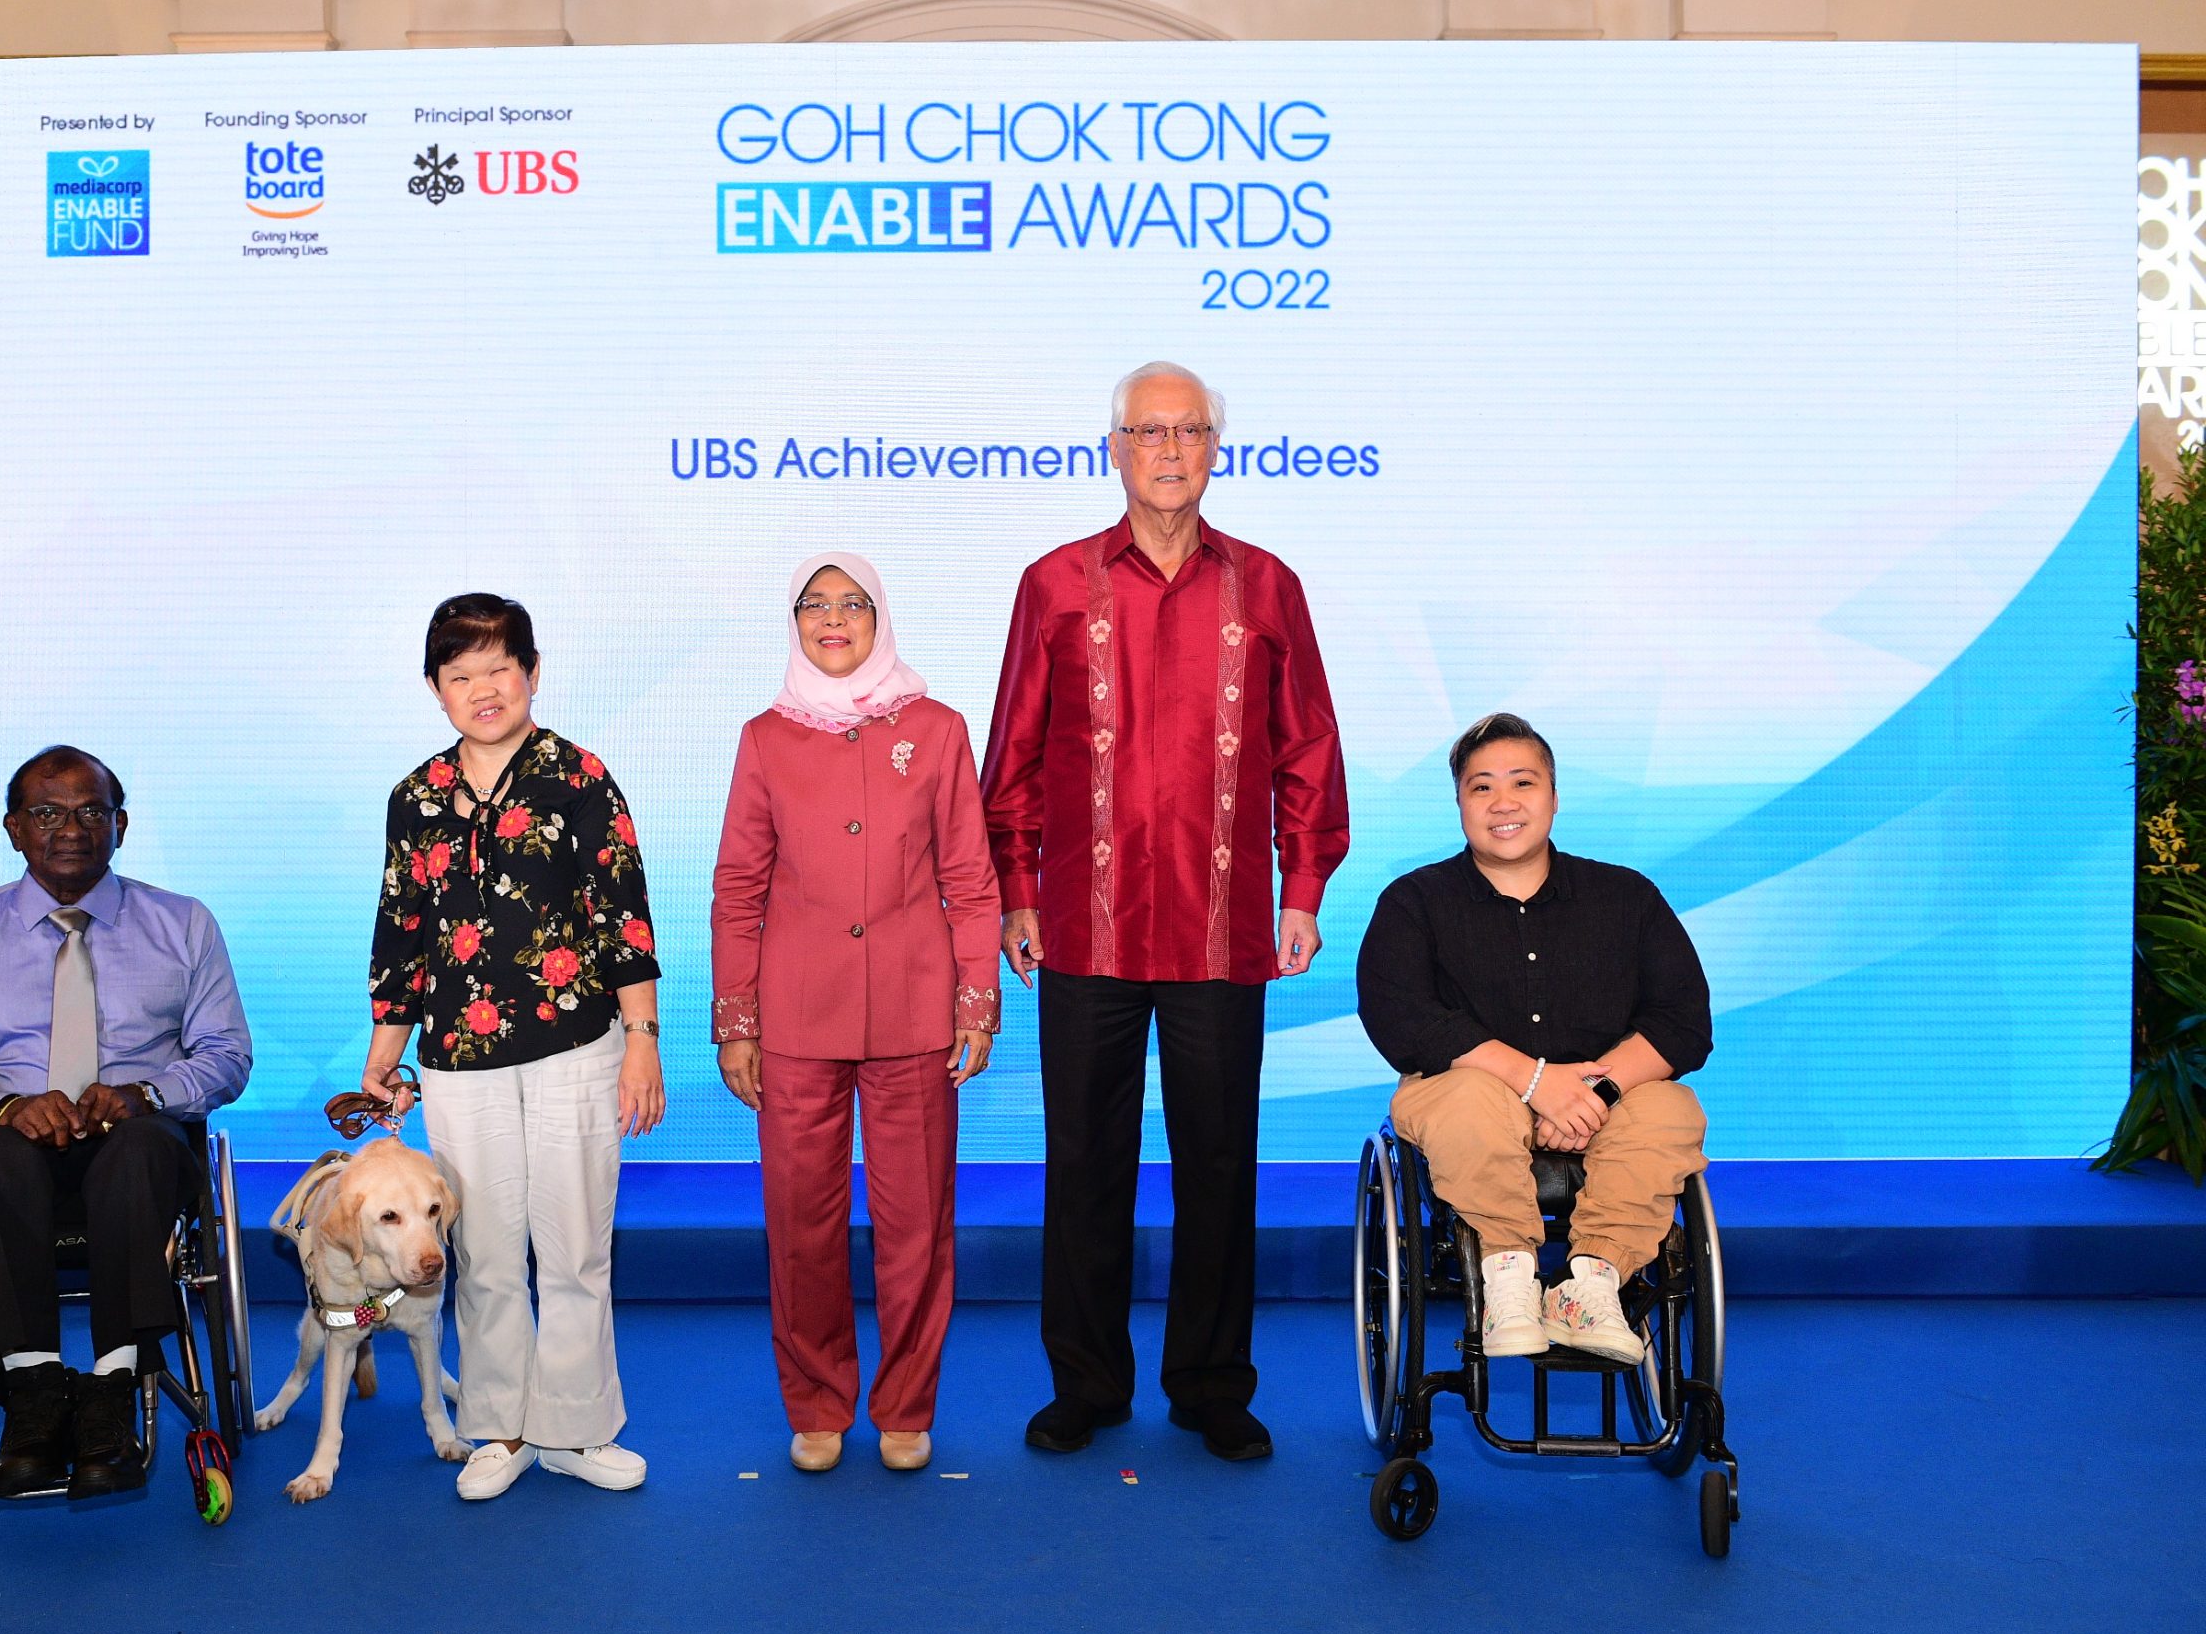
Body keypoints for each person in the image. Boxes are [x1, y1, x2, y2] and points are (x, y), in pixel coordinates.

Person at [982, 362, 1350, 1462]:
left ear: (1215, 449)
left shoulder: (1268, 586)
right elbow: (1012, 753)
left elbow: (1308, 747)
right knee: (1082, 1161)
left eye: (1190, 429)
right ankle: (1086, 1384)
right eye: (1151, 430)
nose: (1171, 449)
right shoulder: (1052, 584)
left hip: (1223, 926)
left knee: (1217, 1164)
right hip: (1083, 929)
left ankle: (1209, 1386)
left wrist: (1303, 888)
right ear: (1114, 448)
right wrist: (1016, 889)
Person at [359, 592, 665, 1502]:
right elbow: (401, 932)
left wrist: (642, 1041)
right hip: (457, 1059)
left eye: (500, 667)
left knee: (574, 1245)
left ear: (532, 671)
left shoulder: (581, 777)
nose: (484, 689)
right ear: (435, 689)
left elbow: (624, 919)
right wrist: (386, 1053)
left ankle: (576, 1428)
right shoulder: (415, 796)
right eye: (462, 676)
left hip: (578, 1042)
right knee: (485, 1252)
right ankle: (501, 1426)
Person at [0, 745, 252, 1499]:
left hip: (141, 1153)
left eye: (90, 811)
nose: (72, 828)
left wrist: (149, 1091)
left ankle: (114, 1387)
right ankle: (35, 1391)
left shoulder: (183, 925)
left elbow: (227, 1056)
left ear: (120, 824)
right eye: (48, 812)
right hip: (6, 1162)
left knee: (141, 1149)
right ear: (14, 828)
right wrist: (3, 1107)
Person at [710, 553, 1002, 1475]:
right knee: (801, 1221)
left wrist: (976, 1003)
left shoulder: (939, 728)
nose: (832, 619)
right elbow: (737, 887)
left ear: (882, 617)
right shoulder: (765, 737)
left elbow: (970, 877)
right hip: (795, 1021)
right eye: (814, 605)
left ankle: (908, 1403)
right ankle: (818, 1400)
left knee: (918, 1221)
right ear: (793, 621)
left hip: (916, 1013)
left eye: (852, 604)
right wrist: (737, 1021)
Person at [1354, 713, 1712, 1364]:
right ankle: (1510, 1281)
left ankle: (1591, 1285)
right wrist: (1536, 1081)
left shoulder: (1626, 896)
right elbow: (1402, 1016)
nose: (1503, 802)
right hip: (1461, 1092)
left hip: (1601, 1091)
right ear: (1459, 802)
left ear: (1553, 794)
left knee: (1671, 1109)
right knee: (1471, 1099)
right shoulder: (1415, 901)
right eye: (1481, 787)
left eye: (1522, 782)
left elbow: (1683, 1022)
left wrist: (1593, 1091)